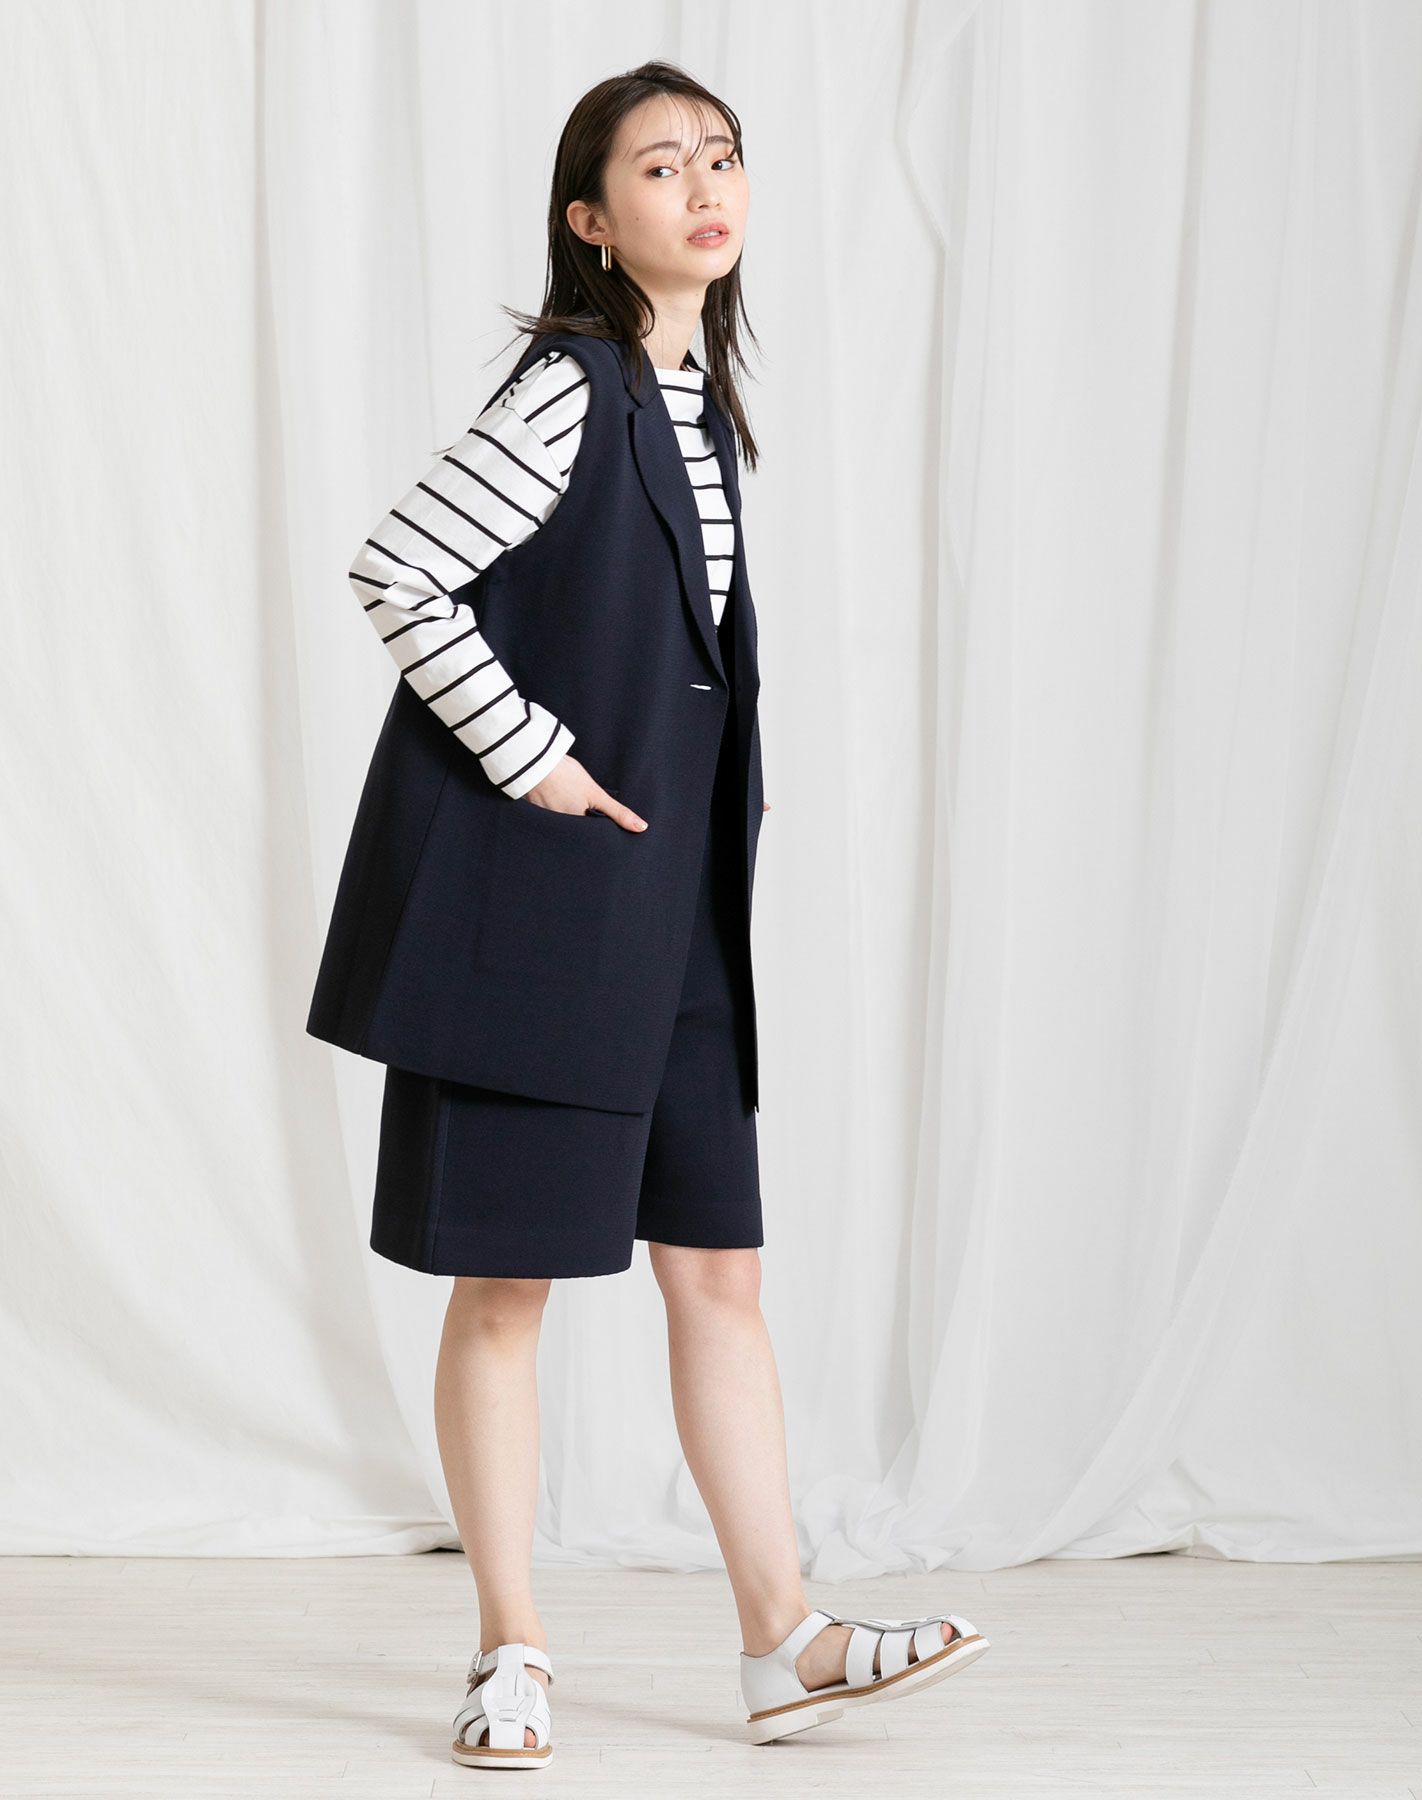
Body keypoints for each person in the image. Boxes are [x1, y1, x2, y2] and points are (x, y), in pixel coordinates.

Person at [307, 60, 988, 1769]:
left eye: (723, 158)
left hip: (670, 928)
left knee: (720, 1274)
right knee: (505, 1290)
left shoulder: (694, 403)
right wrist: (532, 753)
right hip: (535, 923)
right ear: (592, 220)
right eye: (662, 165)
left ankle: (783, 1638)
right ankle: (510, 1649)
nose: (706, 186)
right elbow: (399, 566)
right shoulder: (573, 388)